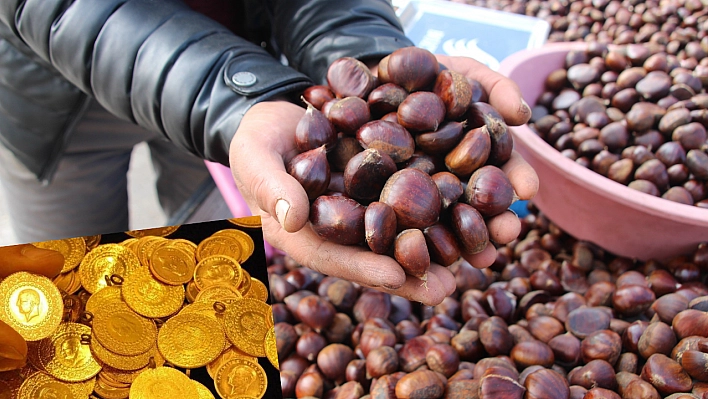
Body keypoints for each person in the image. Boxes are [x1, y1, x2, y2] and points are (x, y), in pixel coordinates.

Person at [0, 0, 538, 306]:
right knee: (67, 295)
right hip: (53, 111)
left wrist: (358, 49)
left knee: (188, 268)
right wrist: (226, 93)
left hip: (235, 83)